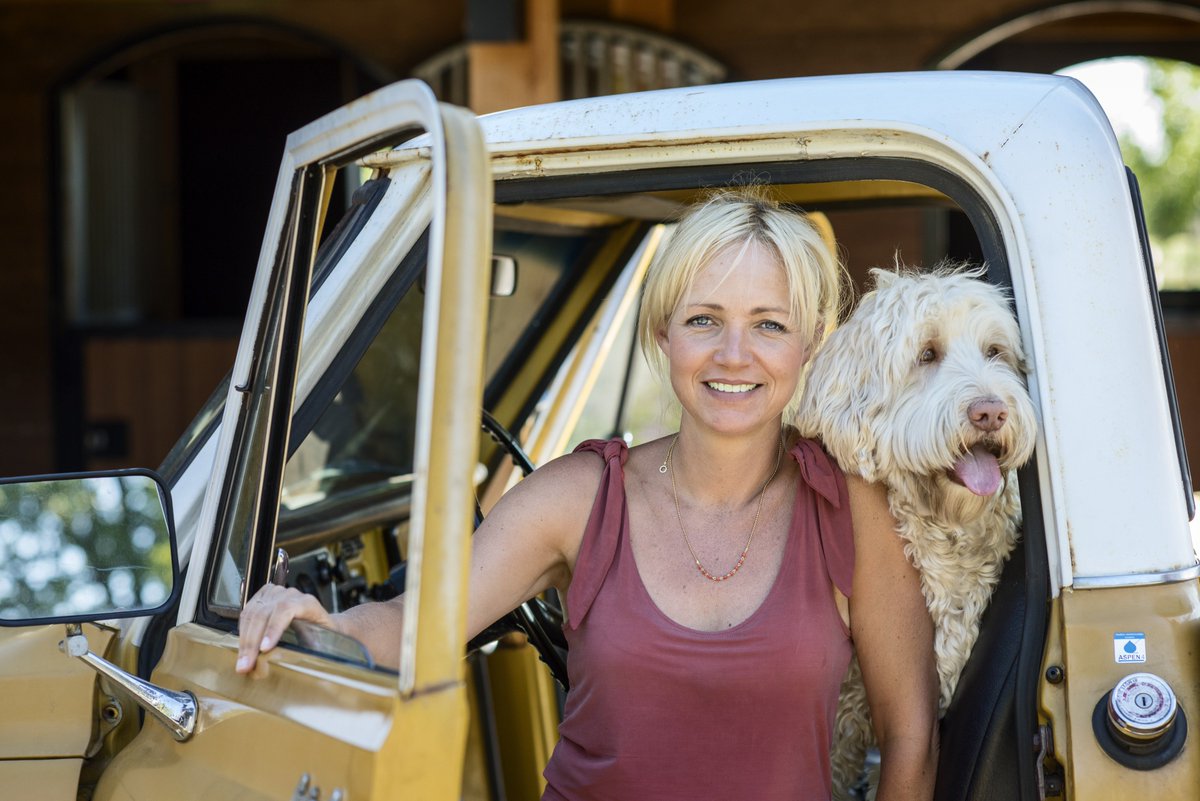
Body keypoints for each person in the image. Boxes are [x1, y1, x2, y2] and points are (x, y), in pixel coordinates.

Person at [236, 189, 938, 800]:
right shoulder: (579, 496)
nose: (733, 352)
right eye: (704, 319)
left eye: (769, 323)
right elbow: (411, 629)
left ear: (810, 341)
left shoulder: (849, 507)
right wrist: (316, 624)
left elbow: (909, 734)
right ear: (663, 331)